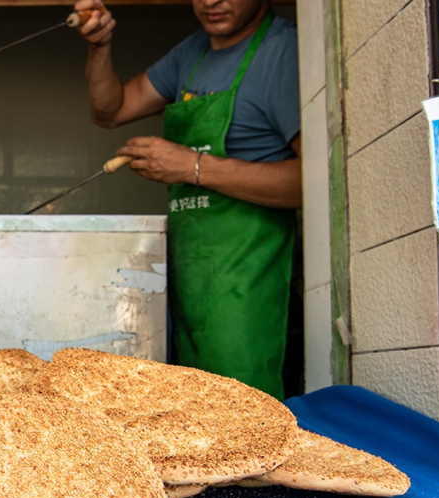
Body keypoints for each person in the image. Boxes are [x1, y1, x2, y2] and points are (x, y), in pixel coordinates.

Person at [75, 0, 302, 400]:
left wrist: (193, 167)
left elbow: (310, 184)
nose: (211, 2)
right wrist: (100, 46)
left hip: (247, 283)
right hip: (190, 280)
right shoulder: (192, 54)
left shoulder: (283, 53)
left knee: (246, 420)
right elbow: (110, 111)